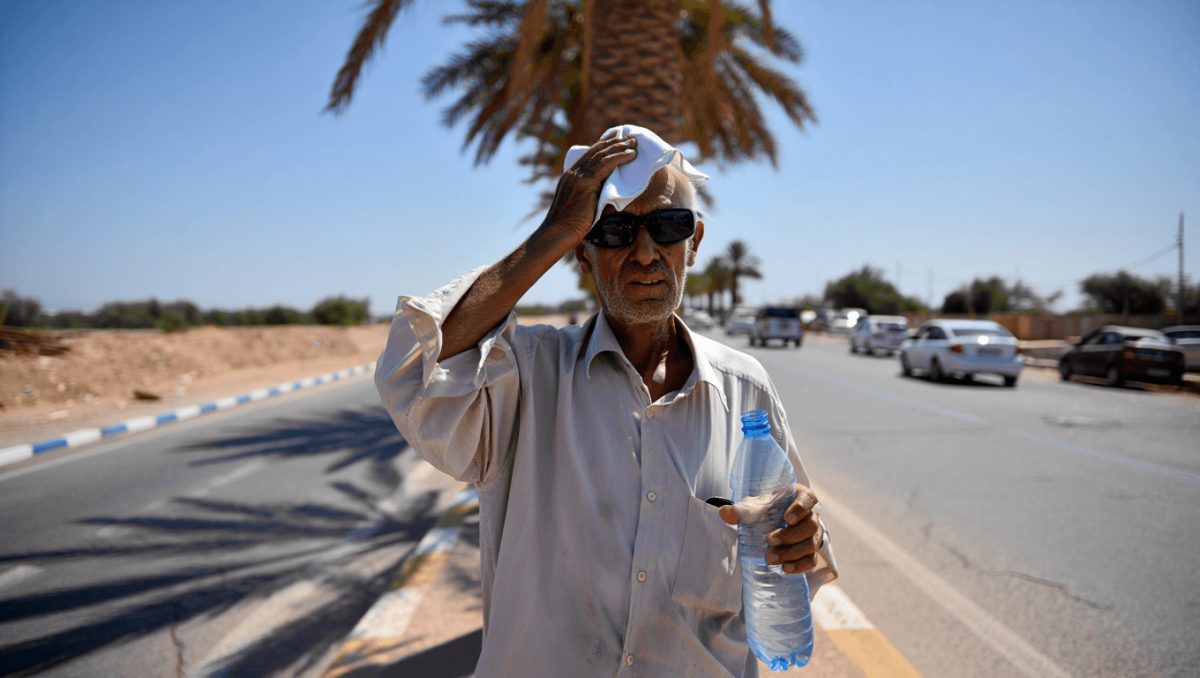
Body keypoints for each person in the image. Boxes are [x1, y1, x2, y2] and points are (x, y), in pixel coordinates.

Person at [375, 125, 837, 676]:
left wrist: (801, 542)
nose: (645, 253)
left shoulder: (745, 388)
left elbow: (788, 555)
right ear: (583, 255)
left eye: (667, 227)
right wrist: (556, 229)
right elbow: (415, 368)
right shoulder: (526, 374)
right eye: (614, 231)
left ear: (694, 242)